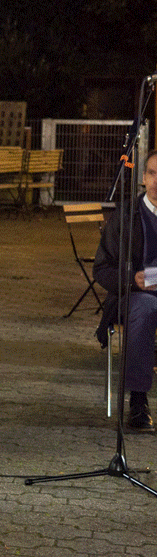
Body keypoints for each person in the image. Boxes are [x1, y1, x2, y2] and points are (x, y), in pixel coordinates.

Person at [93, 150, 157, 432]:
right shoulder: (127, 215)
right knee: (144, 308)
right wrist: (133, 279)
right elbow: (102, 270)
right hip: (132, 297)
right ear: (143, 177)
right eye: (152, 173)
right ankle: (138, 401)